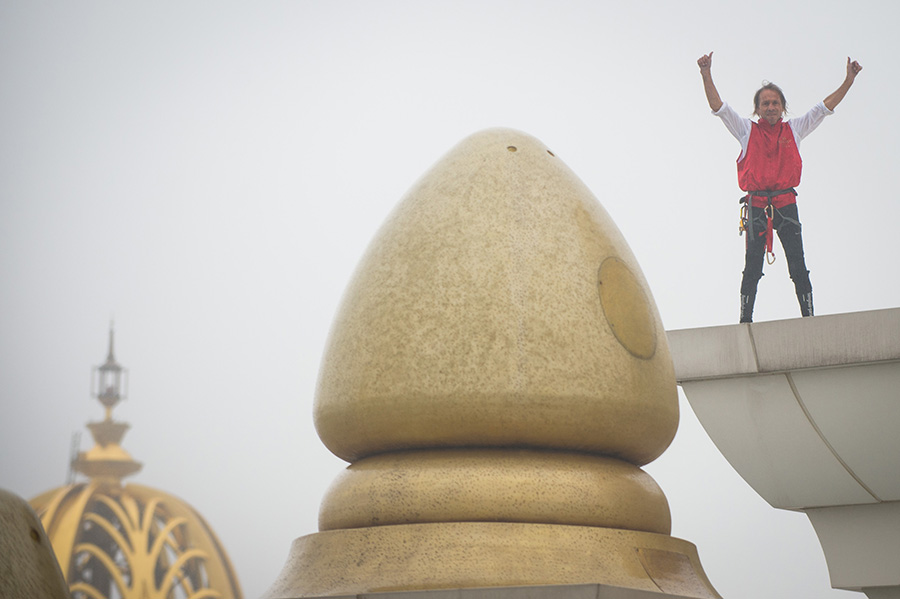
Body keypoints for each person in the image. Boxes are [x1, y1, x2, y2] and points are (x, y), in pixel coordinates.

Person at [697, 52, 862, 323]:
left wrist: (849, 80)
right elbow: (720, 108)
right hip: (757, 205)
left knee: (798, 263)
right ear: (758, 109)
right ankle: (745, 321)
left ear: (783, 108)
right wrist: (706, 74)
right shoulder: (746, 131)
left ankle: (808, 318)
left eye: (775, 103)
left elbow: (823, 109)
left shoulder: (795, 130)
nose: (770, 107)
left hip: (786, 203)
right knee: (752, 266)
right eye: (765, 103)